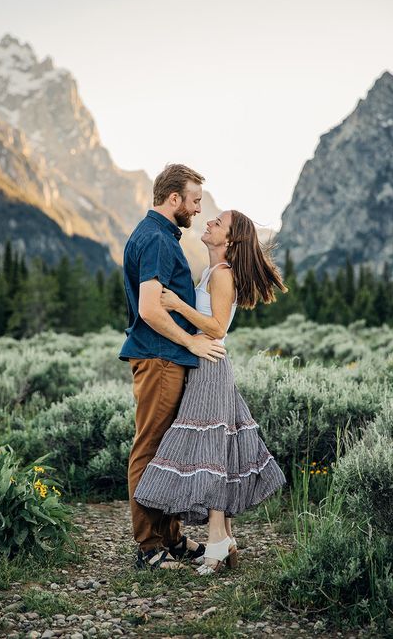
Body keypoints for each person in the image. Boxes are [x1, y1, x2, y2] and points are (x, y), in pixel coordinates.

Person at [134, 209, 289, 574]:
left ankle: (218, 538)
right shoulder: (212, 273)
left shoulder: (223, 274)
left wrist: (175, 304)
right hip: (207, 365)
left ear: (230, 240)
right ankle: (224, 537)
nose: (210, 223)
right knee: (217, 446)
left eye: (218, 223)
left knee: (210, 448)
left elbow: (217, 328)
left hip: (210, 366)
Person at [119, 164, 226, 570]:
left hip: (166, 358)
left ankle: (172, 539)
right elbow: (149, 308)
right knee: (149, 449)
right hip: (160, 358)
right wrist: (190, 340)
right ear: (175, 199)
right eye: (195, 200)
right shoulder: (157, 240)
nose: (199, 209)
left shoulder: (157, 235)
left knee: (168, 449)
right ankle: (149, 547)